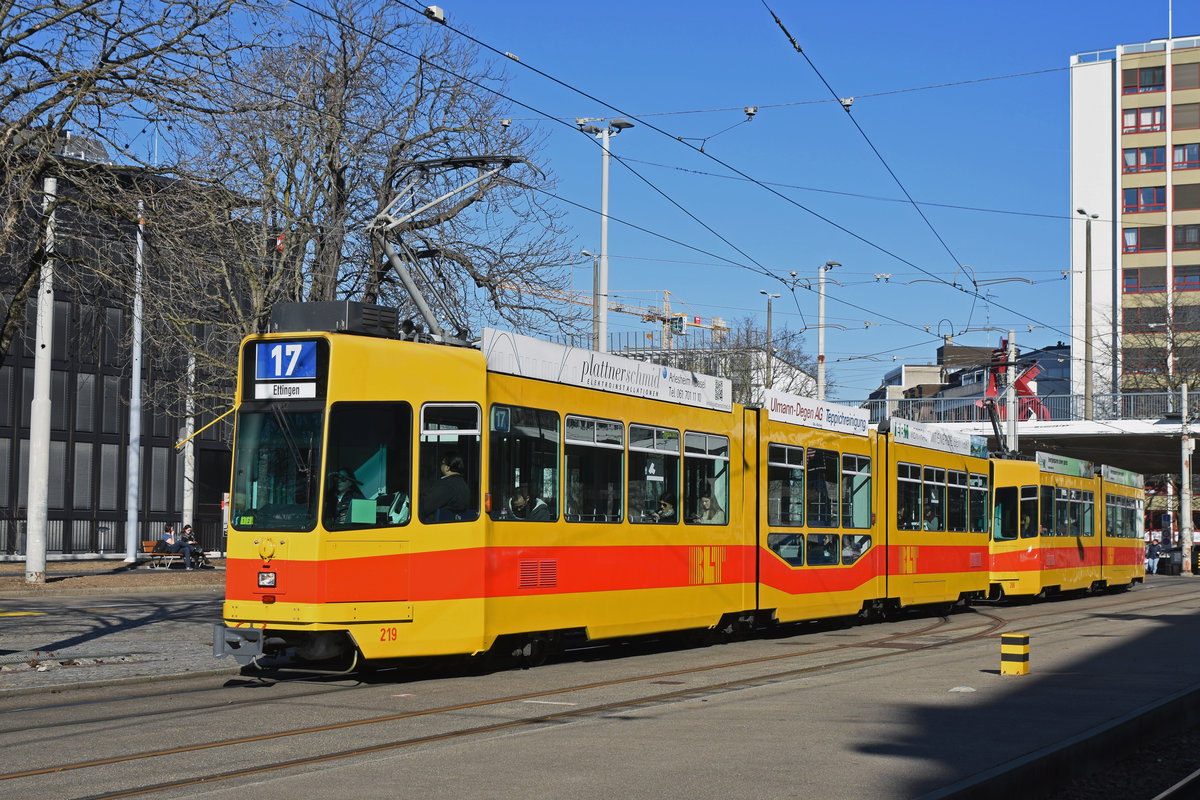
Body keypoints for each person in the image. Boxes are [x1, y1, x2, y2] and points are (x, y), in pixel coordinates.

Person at [421, 453, 469, 522]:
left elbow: (425, 506)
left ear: (447, 468)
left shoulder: (446, 484)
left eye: (442, 463)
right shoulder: (464, 485)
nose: (441, 465)